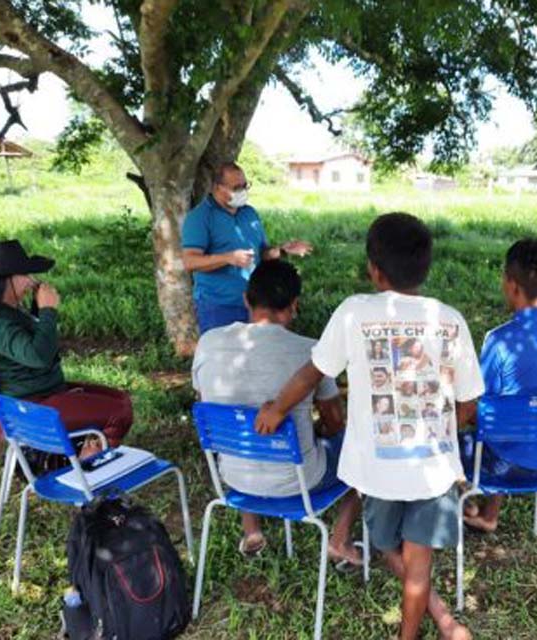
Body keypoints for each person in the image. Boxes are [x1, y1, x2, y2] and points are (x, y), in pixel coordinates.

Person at [256, 212, 483, 640]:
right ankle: (431, 625)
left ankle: (444, 620)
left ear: (373, 270)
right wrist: (441, 433)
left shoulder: (354, 312)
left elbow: (313, 373)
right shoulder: (450, 319)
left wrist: (277, 408)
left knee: (384, 544)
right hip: (434, 469)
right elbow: (469, 402)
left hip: (377, 470)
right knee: (419, 566)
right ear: (426, 267)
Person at [191, 259, 361, 562]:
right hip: (301, 481)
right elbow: (335, 423)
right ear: (294, 305)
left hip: (233, 476)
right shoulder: (312, 352)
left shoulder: (208, 343)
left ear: (246, 299)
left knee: (241, 424)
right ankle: (340, 541)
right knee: (361, 455)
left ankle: (252, 532)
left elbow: (207, 402)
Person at [0, 240, 132, 463]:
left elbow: (29, 340)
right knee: (119, 412)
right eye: (25, 274)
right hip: (31, 408)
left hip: (41, 394)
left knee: (119, 398)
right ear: (6, 280)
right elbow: (39, 356)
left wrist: (37, 308)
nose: (31, 280)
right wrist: (48, 310)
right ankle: (87, 463)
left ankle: (82, 451)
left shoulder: (3, 313)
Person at [460, 239, 537, 533]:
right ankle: (488, 515)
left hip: (504, 464)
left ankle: (465, 504)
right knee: (518, 414)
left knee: (450, 440)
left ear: (511, 284)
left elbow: (478, 407)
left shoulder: (500, 340)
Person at [182, 162, 313, 335]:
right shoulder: (200, 217)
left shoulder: (249, 213)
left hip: (255, 304)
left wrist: (282, 250)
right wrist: (228, 258)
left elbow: (261, 253)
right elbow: (189, 261)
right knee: (224, 350)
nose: (243, 191)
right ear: (217, 187)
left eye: (245, 186)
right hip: (218, 306)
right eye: (236, 188)